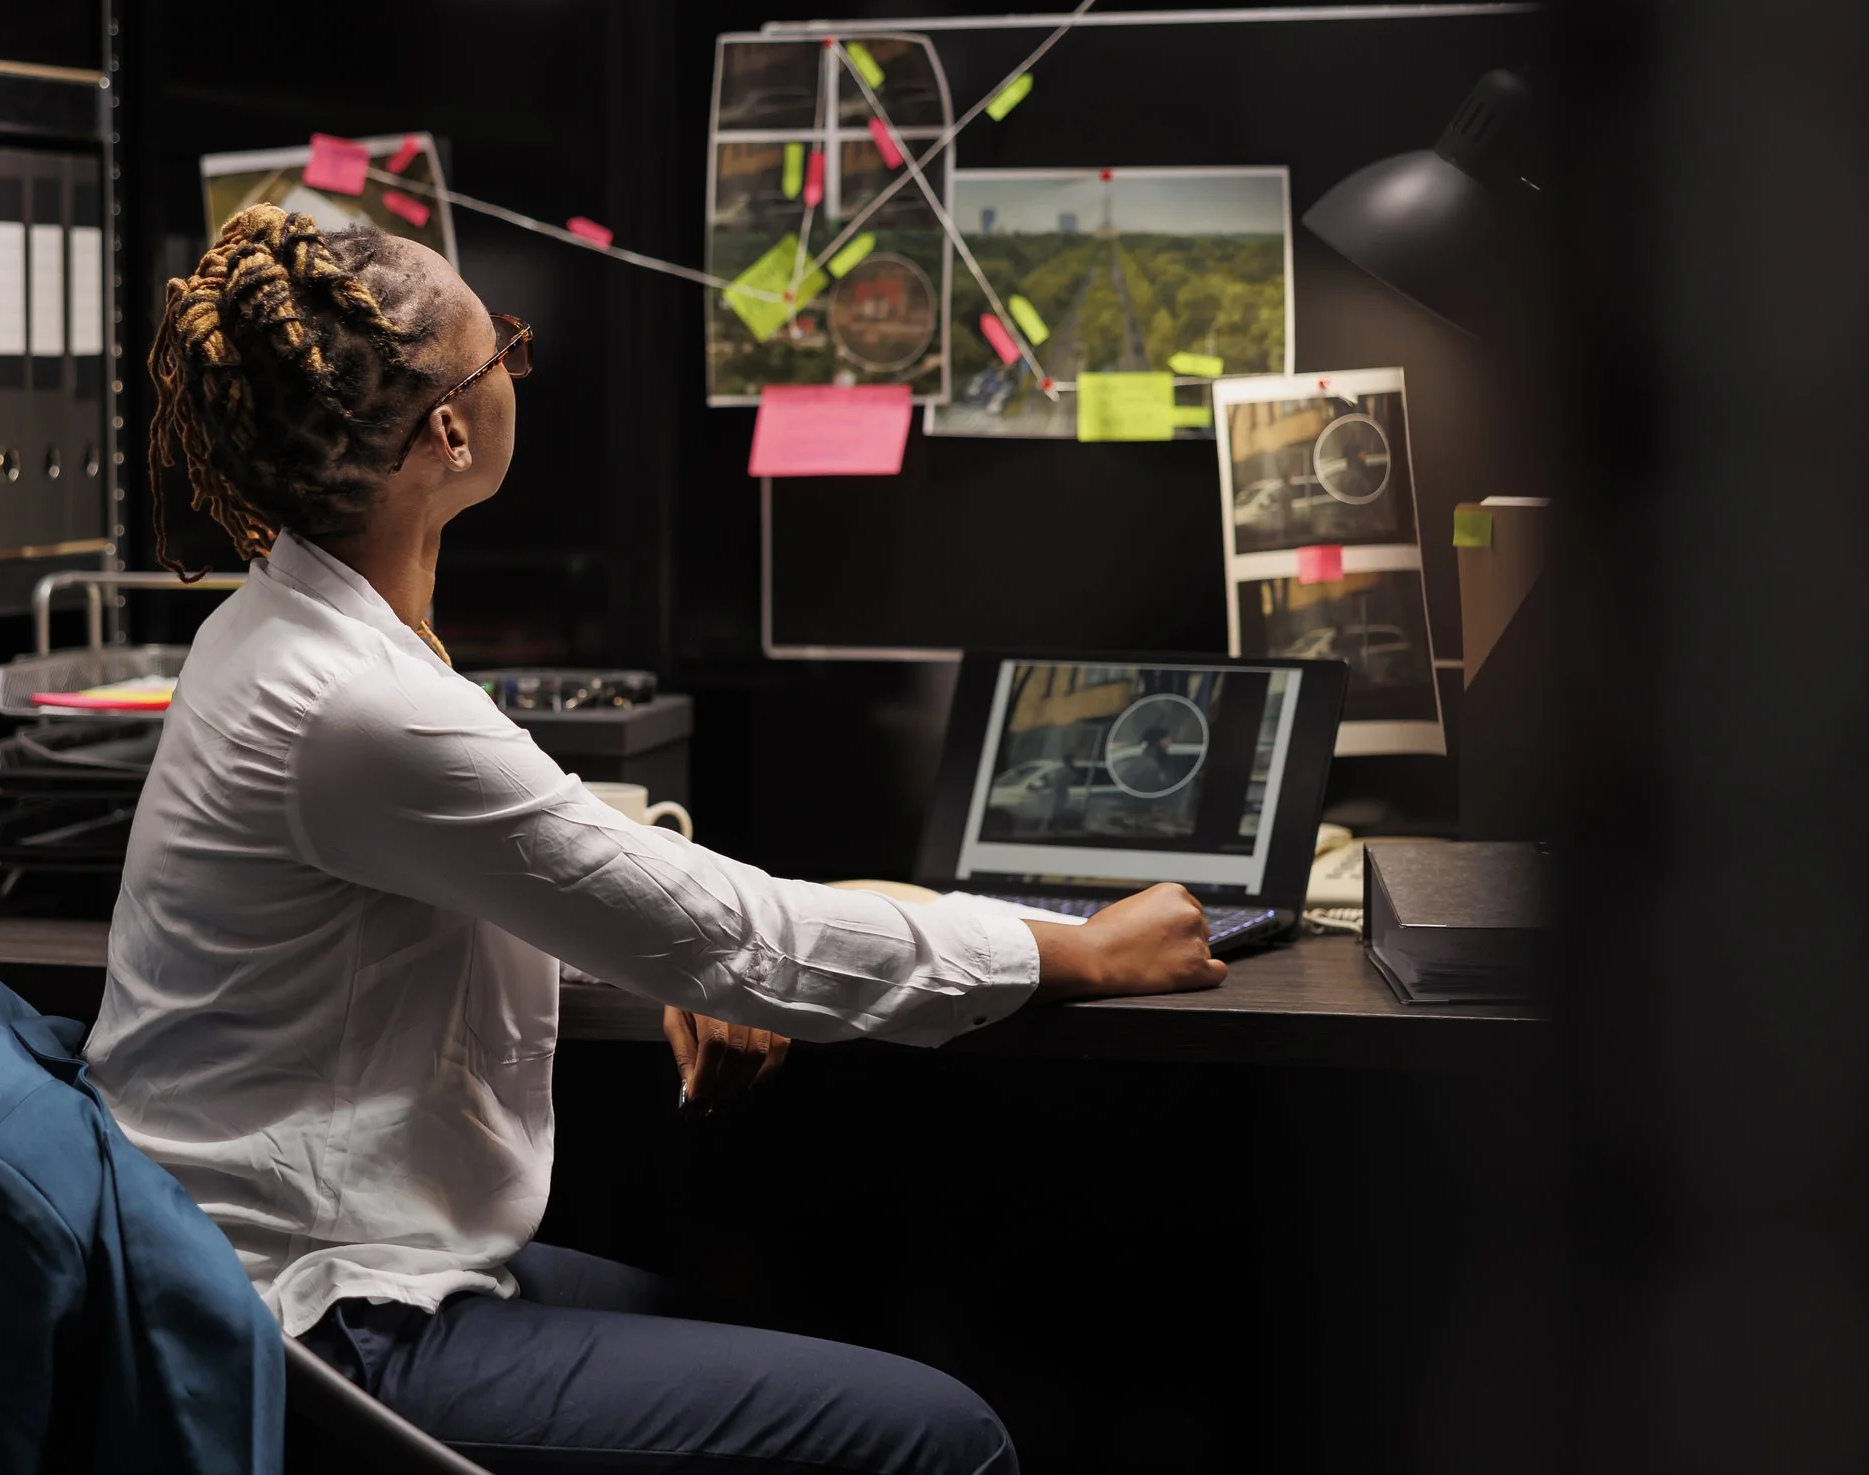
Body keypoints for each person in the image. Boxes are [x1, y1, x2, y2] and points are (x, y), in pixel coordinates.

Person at [85, 205, 1226, 1475]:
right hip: (319, 1326)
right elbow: (736, 933)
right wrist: (1074, 953)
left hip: (278, 1269)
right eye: (501, 350)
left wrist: (676, 941)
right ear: (449, 433)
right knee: (942, 1439)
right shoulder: (352, 699)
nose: (520, 369)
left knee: (789, 1337)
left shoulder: (283, 631)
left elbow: (556, 858)